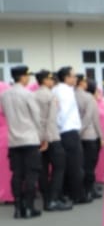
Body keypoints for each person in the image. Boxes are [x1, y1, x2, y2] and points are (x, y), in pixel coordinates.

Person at [1, 65, 44, 218]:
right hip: (30, 139)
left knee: (17, 174)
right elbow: (37, 117)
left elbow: (3, 113)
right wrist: (42, 137)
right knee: (31, 174)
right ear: (23, 77)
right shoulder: (28, 94)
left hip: (14, 140)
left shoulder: (4, 95)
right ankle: (29, 207)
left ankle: (18, 207)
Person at [34, 70, 70, 211]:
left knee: (42, 169)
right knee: (59, 167)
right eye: (50, 79)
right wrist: (47, 139)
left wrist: (40, 138)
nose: (53, 81)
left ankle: (46, 199)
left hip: (37, 136)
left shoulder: (33, 95)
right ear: (44, 81)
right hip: (52, 137)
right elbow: (51, 119)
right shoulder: (51, 96)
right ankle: (53, 200)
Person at [53, 66, 86, 204]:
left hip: (62, 131)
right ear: (66, 78)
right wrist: (61, 126)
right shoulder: (65, 91)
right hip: (68, 131)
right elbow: (63, 113)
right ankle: (77, 195)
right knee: (75, 165)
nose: (75, 78)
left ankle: (67, 193)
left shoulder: (56, 89)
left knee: (67, 166)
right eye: (73, 76)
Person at [76, 76, 102, 201]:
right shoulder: (89, 98)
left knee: (82, 164)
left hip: (77, 135)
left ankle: (85, 189)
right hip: (90, 134)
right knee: (90, 164)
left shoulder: (72, 95)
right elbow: (92, 119)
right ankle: (90, 190)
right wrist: (101, 136)